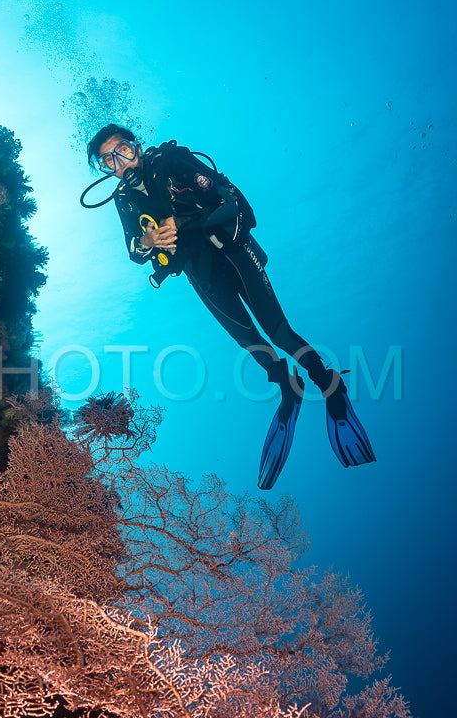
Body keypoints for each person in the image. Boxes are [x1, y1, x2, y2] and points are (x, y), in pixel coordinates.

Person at [82, 124, 376, 488]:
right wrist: (149, 238)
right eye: (108, 160)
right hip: (200, 272)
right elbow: (134, 251)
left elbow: (230, 201)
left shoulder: (173, 161)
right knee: (249, 341)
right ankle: (288, 387)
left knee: (278, 331)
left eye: (123, 150)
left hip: (232, 252)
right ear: (104, 169)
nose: (119, 162)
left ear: (136, 147)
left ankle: (328, 384)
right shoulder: (125, 200)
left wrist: (182, 221)